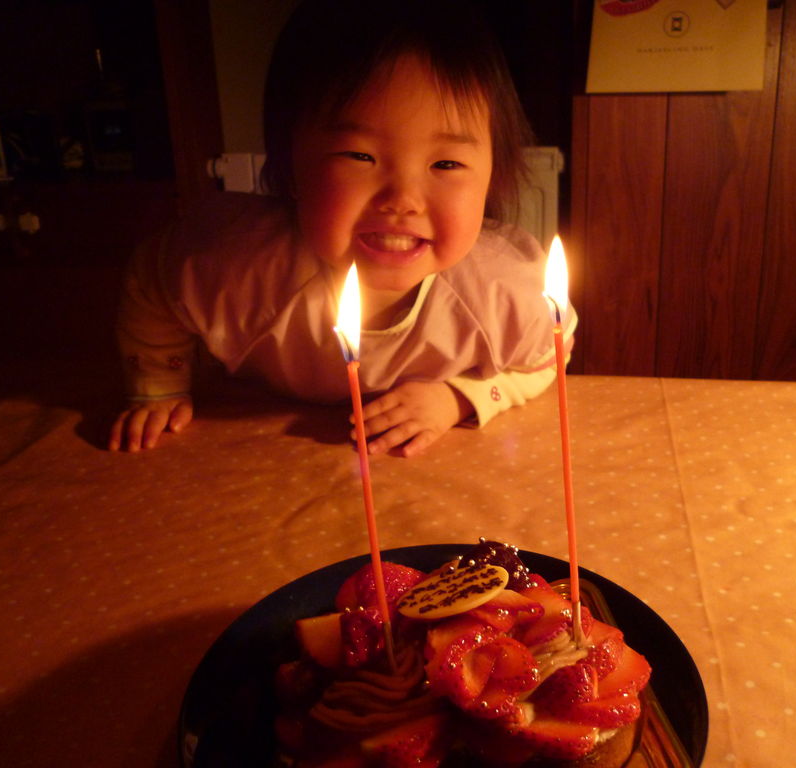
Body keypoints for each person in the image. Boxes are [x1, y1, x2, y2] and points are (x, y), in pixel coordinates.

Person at [108, 0, 575, 456]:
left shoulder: (503, 292)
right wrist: (159, 384)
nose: (403, 199)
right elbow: (154, 282)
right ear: (290, 167)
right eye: (360, 156)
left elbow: (549, 356)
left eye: (446, 163)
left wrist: (458, 397)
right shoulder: (236, 264)